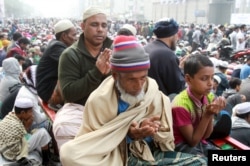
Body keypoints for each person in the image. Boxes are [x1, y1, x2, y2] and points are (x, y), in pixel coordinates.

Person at [59, 35, 207, 166]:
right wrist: (129, 136)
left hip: (149, 155)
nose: (138, 86)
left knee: (200, 162)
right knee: (69, 153)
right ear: (116, 76)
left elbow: (163, 140)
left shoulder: (155, 94)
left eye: (143, 77)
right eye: (131, 80)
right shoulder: (98, 100)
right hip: (115, 158)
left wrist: (149, 132)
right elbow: (93, 145)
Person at [54, 6, 113, 150]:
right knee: (64, 127)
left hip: (112, 109)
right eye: (94, 24)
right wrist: (97, 72)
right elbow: (69, 94)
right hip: (80, 110)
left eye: (104, 25)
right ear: (83, 26)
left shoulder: (114, 51)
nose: (100, 29)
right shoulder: (70, 55)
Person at [172, 53, 226, 156]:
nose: (210, 83)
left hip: (199, 141)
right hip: (180, 145)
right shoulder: (180, 105)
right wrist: (207, 115)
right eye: (204, 78)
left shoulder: (209, 97)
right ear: (188, 79)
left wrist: (210, 114)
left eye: (212, 78)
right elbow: (192, 141)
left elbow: (206, 136)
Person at [36, 19, 77, 110]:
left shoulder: (57, 45)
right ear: (64, 36)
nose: (76, 38)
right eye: (74, 35)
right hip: (48, 91)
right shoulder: (57, 47)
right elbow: (75, 64)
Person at [0, 97, 51, 165]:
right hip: (15, 154)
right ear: (23, 113)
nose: (32, 114)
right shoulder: (17, 125)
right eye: (30, 111)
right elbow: (25, 136)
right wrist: (27, 126)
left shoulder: (9, 117)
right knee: (43, 133)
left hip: (5, 152)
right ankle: (47, 161)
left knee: (35, 132)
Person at [144, 18, 185, 96]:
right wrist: (182, 69)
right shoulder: (168, 55)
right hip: (158, 104)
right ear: (172, 36)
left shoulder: (145, 48)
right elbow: (177, 88)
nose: (177, 38)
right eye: (176, 35)